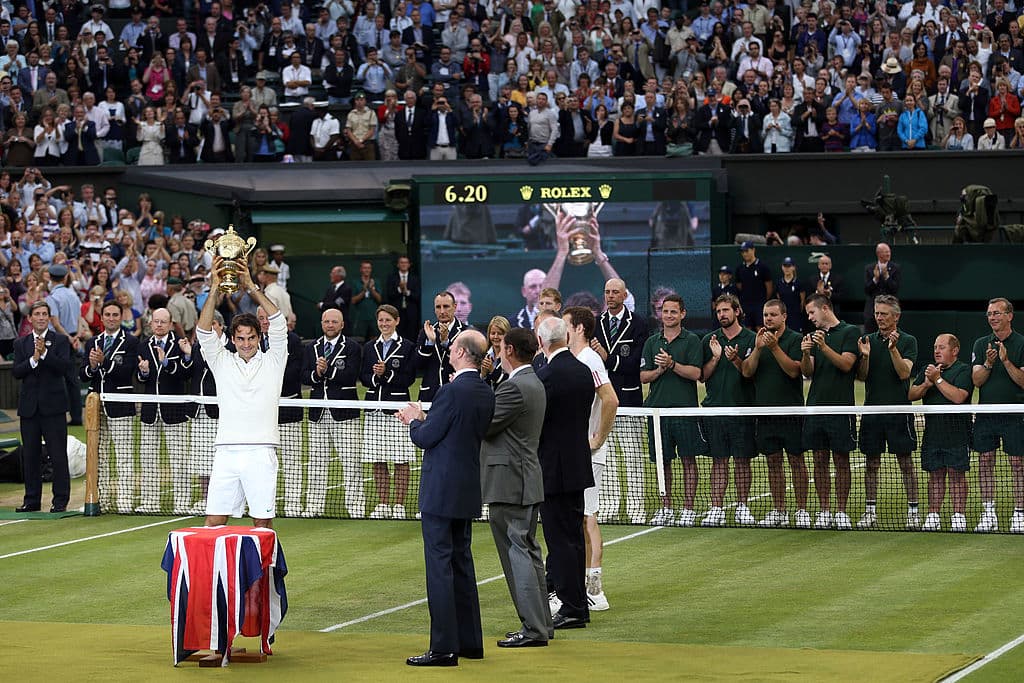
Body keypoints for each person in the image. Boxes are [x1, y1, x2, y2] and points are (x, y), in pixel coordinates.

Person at [398, 329, 494, 667]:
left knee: (440, 568)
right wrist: (427, 419)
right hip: (467, 487)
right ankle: (470, 642)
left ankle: (442, 648)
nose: (449, 350)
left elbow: (425, 438)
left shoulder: (451, 391)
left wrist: (413, 420)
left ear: (463, 354)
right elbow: (450, 429)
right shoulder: (484, 390)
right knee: (462, 564)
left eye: (453, 347)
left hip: (441, 490)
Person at [196, 256, 286, 527]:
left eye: (251, 337)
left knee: (262, 522)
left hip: (261, 451)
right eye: (240, 338)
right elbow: (203, 331)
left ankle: (264, 571)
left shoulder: (274, 360)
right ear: (232, 339)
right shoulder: (221, 361)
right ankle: (216, 571)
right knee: (213, 521)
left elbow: (278, 321)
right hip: (226, 451)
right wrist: (214, 287)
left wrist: (249, 285)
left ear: (259, 337)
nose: (246, 343)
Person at [481, 327, 550, 648]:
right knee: (529, 552)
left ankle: (534, 629)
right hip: (524, 479)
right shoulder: (531, 381)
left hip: (510, 482)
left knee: (517, 554)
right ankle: (541, 625)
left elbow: (485, 423)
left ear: (508, 350)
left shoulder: (515, 387)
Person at [535, 316, 595, 630]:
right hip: (576, 465)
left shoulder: (547, 375)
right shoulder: (583, 371)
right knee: (573, 540)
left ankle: (572, 608)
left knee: (560, 542)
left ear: (543, 342)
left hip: (554, 469)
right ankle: (577, 606)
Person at [563, 306, 618, 611]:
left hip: (588, 453)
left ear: (580, 328)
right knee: (575, 519)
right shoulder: (572, 360)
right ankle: (575, 584)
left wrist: (597, 439)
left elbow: (610, 399)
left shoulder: (590, 360)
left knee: (587, 518)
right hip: (573, 453)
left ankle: (595, 588)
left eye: (566, 324)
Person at [743, 300, 810, 527]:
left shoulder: (794, 339)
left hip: (791, 412)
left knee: (796, 461)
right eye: (765, 315)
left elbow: (794, 371)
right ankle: (779, 510)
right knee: (773, 463)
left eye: (772, 315)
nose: (768, 319)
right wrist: (759, 348)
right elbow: (747, 371)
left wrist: (774, 347)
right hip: (765, 413)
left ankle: (801, 510)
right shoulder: (759, 339)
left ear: (784, 316)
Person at [856, 295, 919, 529]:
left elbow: (904, 374)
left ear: (896, 316)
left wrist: (893, 349)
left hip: (899, 411)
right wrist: (864, 356)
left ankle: (913, 511)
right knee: (871, 463)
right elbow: (861, 376)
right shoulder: (867, 340)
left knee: (905, 463)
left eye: (884, 313)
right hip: (873, 411)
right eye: (877, 313)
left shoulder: (908, 341)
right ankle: (870, 511)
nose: (879, 317)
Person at [641, 294, 705, 527]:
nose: (668, 315)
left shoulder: (692, 340)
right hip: (657, 412)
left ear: (682, 314)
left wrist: (672, 365)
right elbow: (643, 376)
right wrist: (659, 370)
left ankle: (688, 509)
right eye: (665, 311)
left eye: (673, 312)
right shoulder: (651, 342)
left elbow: (697, 374)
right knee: (662, 462)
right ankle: (665, 507)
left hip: (684, 412)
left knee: (689, 460)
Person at [801, 293, 860, 530]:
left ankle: (841, 512)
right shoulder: (815, 338)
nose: (810, 317)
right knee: (819, 460)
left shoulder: (849, 332)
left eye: (812, 312)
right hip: (815, 407)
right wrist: (806, 353)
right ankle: (825, 510)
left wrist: (823, 346)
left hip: (840, 407)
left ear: (825, 308)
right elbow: (808, 372)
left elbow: (847, 365)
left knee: (841, 461)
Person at [592, 277, 647, 524]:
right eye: (607, 292)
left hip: (628, 398)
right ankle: (609, 505)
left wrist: (607, 358)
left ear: (625, 295)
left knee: (633, 454)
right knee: (606, 455)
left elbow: (634, 363)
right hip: (601, 401)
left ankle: (637, 508)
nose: (610, 296)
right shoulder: (596, 323)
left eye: (615, 292)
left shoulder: (638, 324)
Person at [701, 294, 758, 526]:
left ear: (737, 311)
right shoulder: (708, 340)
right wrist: (715, 358)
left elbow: (751, 373)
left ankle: (743, 507)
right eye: (718, 311)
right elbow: (703, 376)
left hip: (743, 410)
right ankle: (717, 508)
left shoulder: (752, 339)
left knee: (742, 461)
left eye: (726, 310)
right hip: (714, 410)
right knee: (719, 461)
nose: (722, 315)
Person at [909, 333, 973, 532]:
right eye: (936, 347)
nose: (937, 350)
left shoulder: (963, 370)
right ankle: (933, 515)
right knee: (935, 475)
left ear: (954, 351)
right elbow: (911, 395)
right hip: (932, 434)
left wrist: (937, 380)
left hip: (957, 434)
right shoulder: (928, 370)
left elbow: (958, 397)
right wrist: (927, 383)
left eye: (942, 347)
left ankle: (958, 516)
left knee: (956, 475)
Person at [303, 307, 364, 518]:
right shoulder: (312, 347)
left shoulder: (353, 347)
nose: (330, 325)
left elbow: (350, 376)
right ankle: (314, 506)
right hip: (318, 413)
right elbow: (305, 376)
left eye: (334, 322)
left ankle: (356, 507)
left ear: (342, 324)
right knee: (317, 462)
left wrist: (327, 369)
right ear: (322, 324)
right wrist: (316, 373)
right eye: (327, 321)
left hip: (345, 413)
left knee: (351, 461)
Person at [80, 300, 139, 514]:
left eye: (115, 314)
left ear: (121, 317)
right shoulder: (93, 342)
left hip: (121, 406)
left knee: (124, 455)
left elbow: (126, 372)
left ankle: (125, 501)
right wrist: (93, 366)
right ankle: (99, 498)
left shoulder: (131, 341)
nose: (112, 318)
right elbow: (83, 374)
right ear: (102, 317)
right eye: (108, 314)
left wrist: (104, 361)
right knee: (98, 455)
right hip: (96, 408)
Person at [971, 297, 1024, 533]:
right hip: (986, 414)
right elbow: (977, 381)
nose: (992, 317)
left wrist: (1005, 360)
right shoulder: (981, 343)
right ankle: (988, 511)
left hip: (1015, 414)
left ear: (1009, 316)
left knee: (1017, 463)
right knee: (985, 461)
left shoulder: (1021, 344)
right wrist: (989, 363)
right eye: (990, 314)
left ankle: (1020, 513)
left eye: (997, 313)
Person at [13, 300, 70, 513]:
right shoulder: (21, 344)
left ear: (49, 317)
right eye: (37, 314)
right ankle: (32, 500)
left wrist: (44, 355)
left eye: (45, 314)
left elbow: (63, 368)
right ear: (30, 318)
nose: (41, 317)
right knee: (30, 456)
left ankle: (60, 501)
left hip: (53, 408)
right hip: (29, 409)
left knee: (57, 455)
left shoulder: (60, 341)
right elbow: (17, 372)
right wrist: (34, 359)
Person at [361, 304, 417, 520]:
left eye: (388, 320)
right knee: (378, 459)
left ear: (396, 321)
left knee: (400, 459)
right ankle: (383, 503)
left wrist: (387, 373)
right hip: (374, 410)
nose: (384, 324)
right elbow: (364, 376)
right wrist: (376, 377)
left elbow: (408, 378)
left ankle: (399, 505)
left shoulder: (407, 346)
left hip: (397, 411)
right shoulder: (369, 347)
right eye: (381, 320)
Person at [136, 307, 193, 513]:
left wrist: (167, 363)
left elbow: (186, 374)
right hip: (150, 411)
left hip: (174, 411)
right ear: (151, 323)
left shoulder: (179, 345)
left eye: (163, 322)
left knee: (179, 459)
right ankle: (150, 501)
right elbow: (142, 378)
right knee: (148, 458)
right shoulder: (143, 346)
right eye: (156, 321)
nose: (159, 325)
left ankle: (182, 502)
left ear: (170, 324)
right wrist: (144, 373)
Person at [257, 306, 304, 518]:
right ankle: (266, 505)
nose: (264, 321)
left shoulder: (291, 340)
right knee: (264, 463)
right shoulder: (252, 341)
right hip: (262, 414)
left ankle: (293, 503)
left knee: (291, 460)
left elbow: (293, 373)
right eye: (260, 318)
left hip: (288, 410)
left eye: (267, 317)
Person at [416, 291, 464, 402]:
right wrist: (430, 343)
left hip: (456, 395)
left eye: (446, 306)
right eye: (438, 307)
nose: (442, 311)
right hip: (429, 396)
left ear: (455, 307)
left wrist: (446, 343)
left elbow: (464, 363)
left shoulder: (465, 332)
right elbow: (418, 365)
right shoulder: (426, 331)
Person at [863, 243, 900, 333]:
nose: (888, 254)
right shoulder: (869, 268)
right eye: (886, 252)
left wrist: (887, 276)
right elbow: (867, 290)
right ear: (879, 253)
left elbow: (895, 289)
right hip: (872, 307)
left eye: (889, 252)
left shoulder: (895, 268)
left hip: (890, 306)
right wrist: (875, 279)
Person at [735, 241, 773, 329]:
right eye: (743, 252)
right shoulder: (739, 268)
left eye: (746, 251)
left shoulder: (762, 267)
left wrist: (763, 301)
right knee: (746, 328)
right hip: (745, 304)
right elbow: (739, 286)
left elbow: (769, 287)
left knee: (760, 328)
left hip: (759, 304)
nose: (744, 254)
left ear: (753, 250)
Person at [386, 255, 420, 341]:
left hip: (411, 313)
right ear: (398, 265)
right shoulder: (392, 278)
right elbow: (389, 295)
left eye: (405, 262)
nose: (404, 264)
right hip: (397, 312)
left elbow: (417, 296)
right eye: (402, 262)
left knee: (411, 335)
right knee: (397, 334)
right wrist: (399, 289)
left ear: (409, 265)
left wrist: (407, 292)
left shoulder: (415, 279)